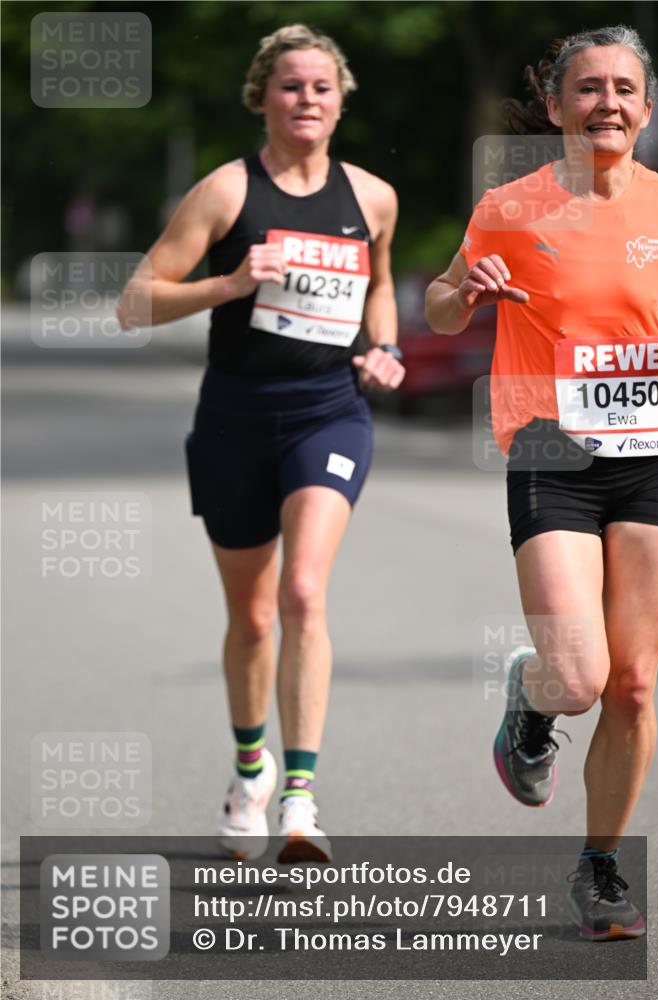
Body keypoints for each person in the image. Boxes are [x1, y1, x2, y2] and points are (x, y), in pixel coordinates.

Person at [118, 24, 403, 863]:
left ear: (340, 100)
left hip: (328, 413)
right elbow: (135, 302)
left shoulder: (373, 197)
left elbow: (380, 284)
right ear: (262, 98)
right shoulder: (225, 191)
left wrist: (384, 348)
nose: (305, 99)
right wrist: (230, 283)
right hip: (235, 419)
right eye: (290, 85)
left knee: (302, 593)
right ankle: (251, 770)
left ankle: (299, 798)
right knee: (250, 618)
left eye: (320, 86)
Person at [426, 25, 658, 941]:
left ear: (646, 108)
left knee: (633, 686)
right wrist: (466, 291)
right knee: (577, 675)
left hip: (653, 453)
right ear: (558, 105)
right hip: (552, 450)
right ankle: (531, 699)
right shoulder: (511, 206)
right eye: (588, 88)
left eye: (623, 89)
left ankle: (599, 868)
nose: (606, 103)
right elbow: (441, 308)